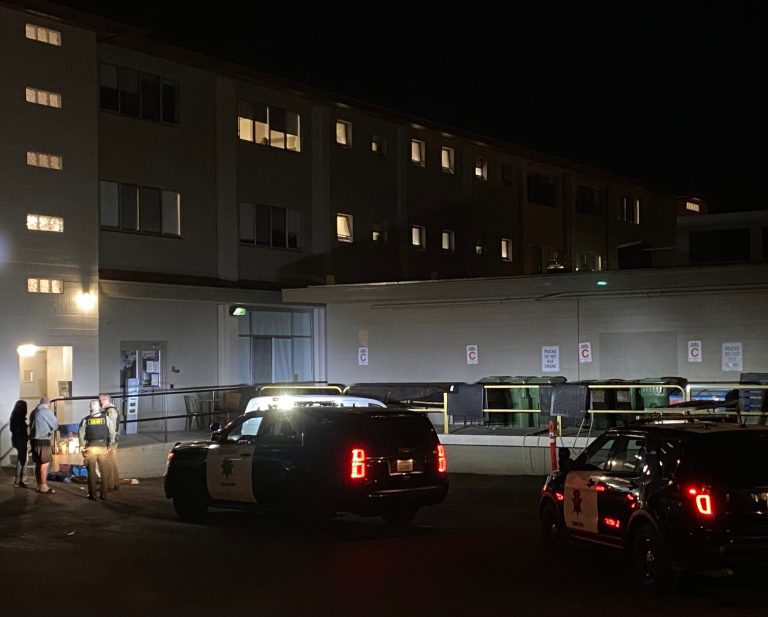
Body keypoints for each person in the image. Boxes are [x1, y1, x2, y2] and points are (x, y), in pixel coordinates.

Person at [78, 399, 115, 500]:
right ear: (99, 407)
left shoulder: (85, 420)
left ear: (90, 408)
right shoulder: (106, 418)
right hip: (102, 446)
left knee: (91, 471)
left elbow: (81, 434)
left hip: (90, 447)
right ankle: (104, 494)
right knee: (104, 471)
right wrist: (110, 444)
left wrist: (82, 447)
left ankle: (92, 495)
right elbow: (112, 432)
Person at [29, 396, 58, 494]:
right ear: (48, 404)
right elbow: (55, 425)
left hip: (34, 441)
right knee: (44, 464)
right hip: (43, 440)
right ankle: (44, 486)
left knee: (38, 464)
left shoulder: (34, 411)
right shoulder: (45, 411)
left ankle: (39, 485)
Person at [99, 393, 121, 491]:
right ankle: (115, 483)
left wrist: (109, 441)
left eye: (100, 400)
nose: (100, 403)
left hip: (110, 440)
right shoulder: (110, 410)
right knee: (112, 462)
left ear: (105, 400)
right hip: (112, 439)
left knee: (108, 463)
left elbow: (110, 427)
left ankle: (109, 485)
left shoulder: (110, 411)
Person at [10, 400, 29, 487]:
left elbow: (12, 429)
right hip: (21, 441)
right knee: (23, 460)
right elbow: (21, 432)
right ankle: (20, 480)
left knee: (21, 460)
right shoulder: (20, 420)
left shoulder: (14, 417)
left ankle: (19, 479)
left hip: (16, 440)